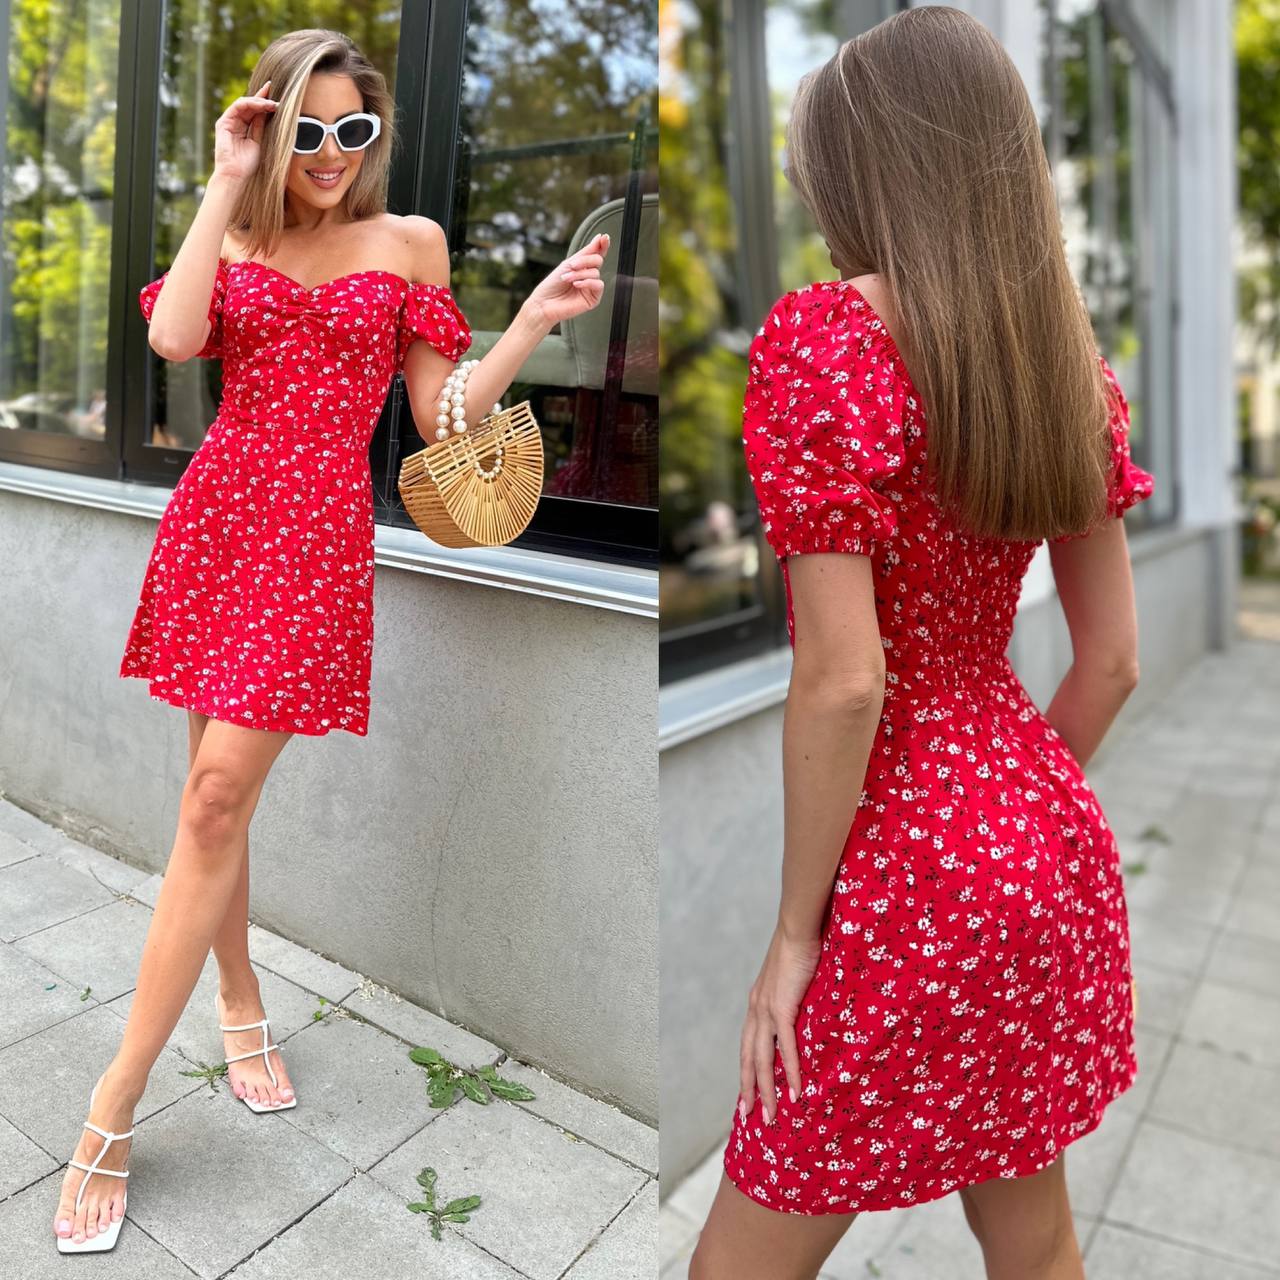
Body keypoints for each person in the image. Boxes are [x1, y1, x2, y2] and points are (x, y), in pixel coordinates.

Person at [53, 28, 607, 1254]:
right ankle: (240, 1000)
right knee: (214, 796)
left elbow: (438, 416)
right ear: (271, 128)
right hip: (216, 517)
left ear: (376, 137)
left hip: (309, 540)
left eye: (353, 130)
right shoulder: (239, 232)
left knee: (209, 800)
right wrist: (220, 178)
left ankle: (113, 1103)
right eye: (307, 128)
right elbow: (174, 339)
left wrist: (523, 326)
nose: (328, 152)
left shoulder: (407, 243)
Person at [688, 9, 1154, 1280]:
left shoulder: (824, 341)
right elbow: (1108, 659)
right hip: (1037, 839)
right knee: (1032, 1232)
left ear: (860, 173)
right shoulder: (1068, 367)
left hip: (899, 871)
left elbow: (845, 680)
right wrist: (1004, 819)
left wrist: (794, 934)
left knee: (740, 1257)